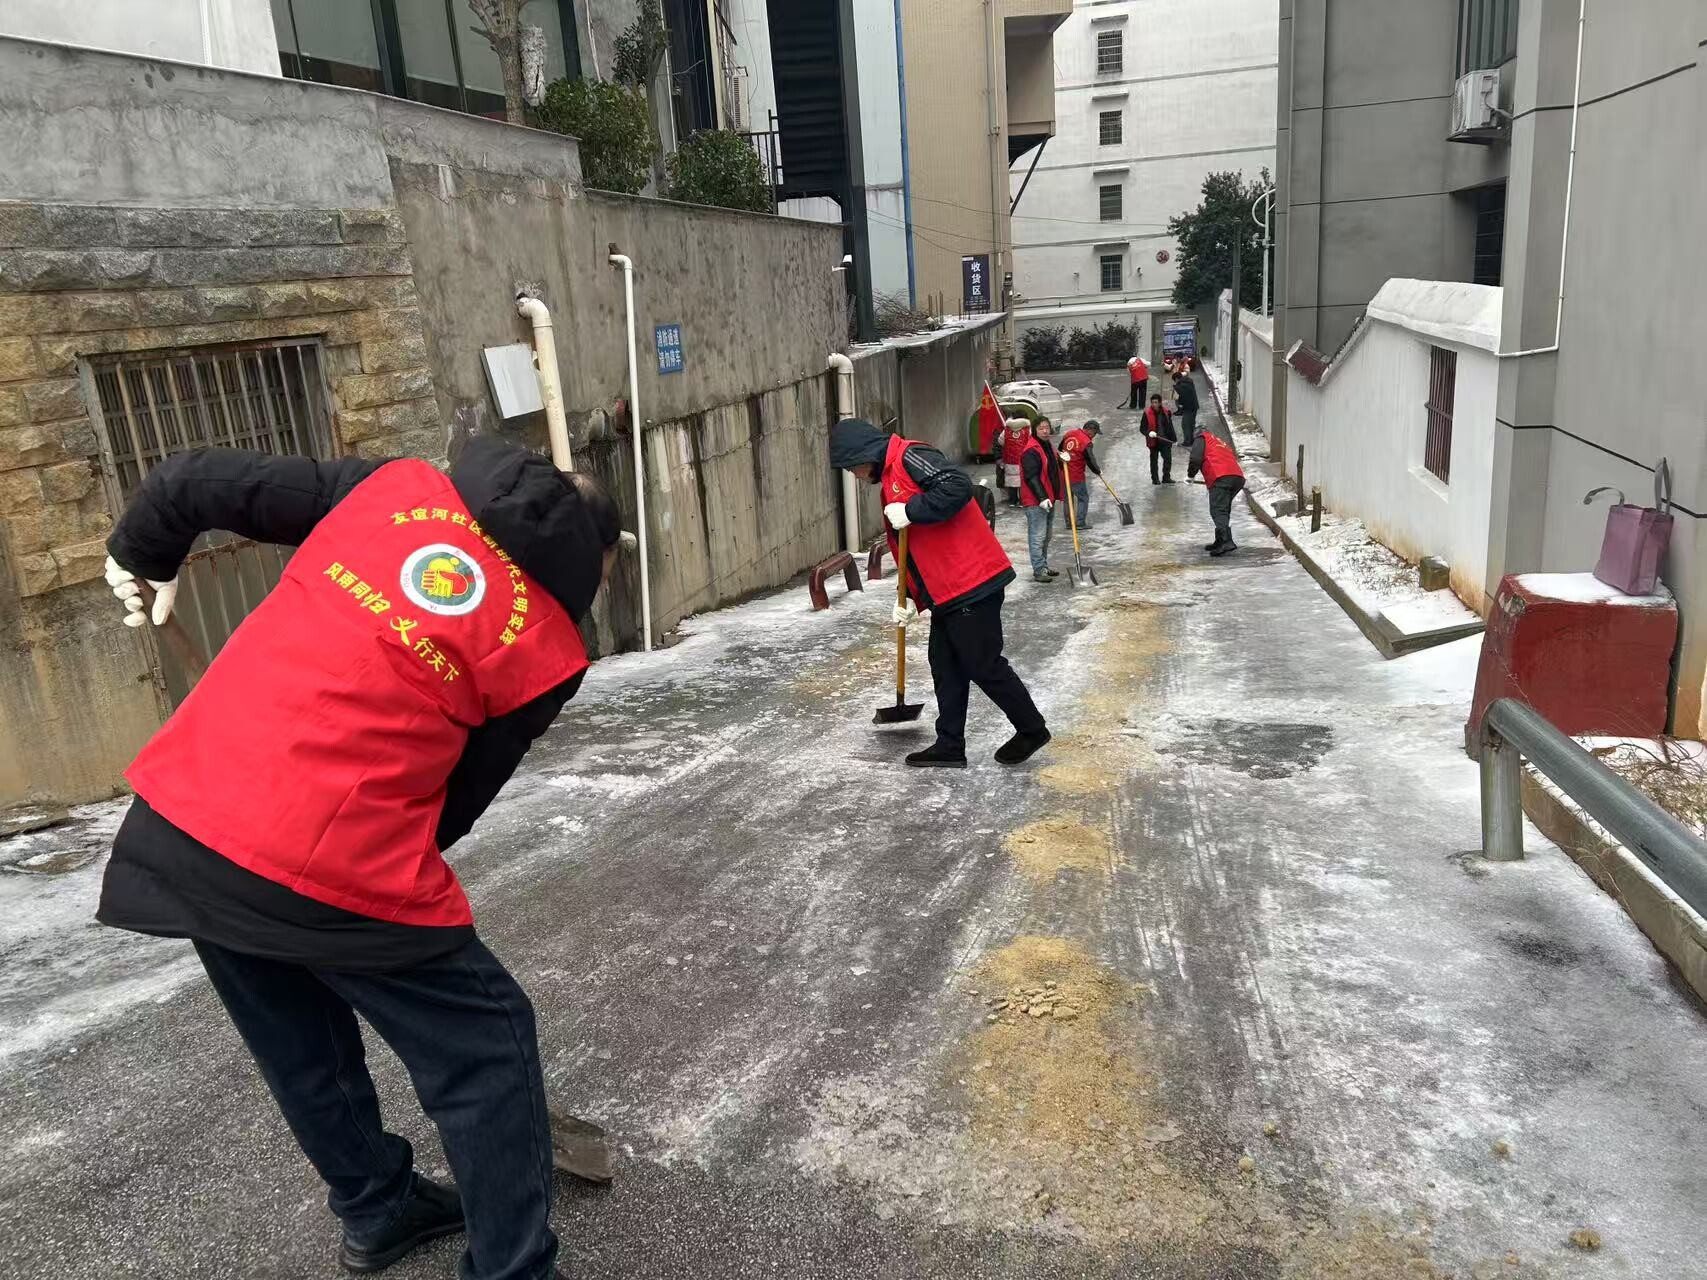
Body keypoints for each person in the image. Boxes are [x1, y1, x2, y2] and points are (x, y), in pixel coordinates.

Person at [97, 438, 623, 1280]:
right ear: (596, 560)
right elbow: (454, 799)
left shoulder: (390, 489)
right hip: (321, 848)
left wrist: (141, 555)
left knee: (296, 1035)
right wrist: (349, 891)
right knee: (486, 1045)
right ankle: (513, 1269)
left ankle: (378, 1208)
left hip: (189, 815)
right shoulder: (547, 647)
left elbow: (190, 480)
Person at [828, 418, 1051, 769]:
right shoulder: (890, 475)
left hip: (972, 581)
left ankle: (1032, 729)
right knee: (945, 667)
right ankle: (950, 744)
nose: (855, 475)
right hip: (948, 591)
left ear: (865, 453)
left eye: (853, 466)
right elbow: (915, 548)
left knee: (984, 665)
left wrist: (911, 511)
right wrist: (916, 600)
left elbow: (956, 486)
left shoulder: (910, 456)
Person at [1187, 428, 1248, 556]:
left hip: (1221, 476)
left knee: (1218, 510)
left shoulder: (1201, 438)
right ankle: (1221, 540)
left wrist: (1190, 475)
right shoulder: (1218, 441)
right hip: (1237, 477)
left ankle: (1226, 541)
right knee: (1223, 509)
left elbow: (1195, 458)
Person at [1019, 417, 1062, 582]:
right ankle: (1039, 570)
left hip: (1048, 498)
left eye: (1047, 427)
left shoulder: (1048, 446)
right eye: (1041, 428)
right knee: (1037, 536)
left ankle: (1043, 565)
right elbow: (1031, 477)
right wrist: (1042, 498)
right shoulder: (1031, 450)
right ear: (1035, 431)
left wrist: (1060, 458)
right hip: (1036, 501)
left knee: (1047, 536)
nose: (1045, 431)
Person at [1056, 420, 1103, 530]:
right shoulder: (1086, 442)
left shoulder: (1070, 434)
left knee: (1068, 499)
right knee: (1083, 498)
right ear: (1091, 430)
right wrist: (1097, 471)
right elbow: (1090, 459)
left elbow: (1060, 449)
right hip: (1076, 475)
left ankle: (1069, 523)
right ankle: (1080, 523)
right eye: (1095, 433)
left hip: (1064, 472)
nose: (1094, 436)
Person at [1143, 393, 1178, 485]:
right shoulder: (1146, 413)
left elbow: (1170, 426)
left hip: (1165, 441)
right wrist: (1148, 433)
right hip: (1153, 442)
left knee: (1168, 460)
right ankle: (1155, 479)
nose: (1154, 404)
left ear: (1160, 403)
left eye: (1156, 402)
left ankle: (1166, 477)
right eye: (1152, 402)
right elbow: (1142, 428)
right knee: (1154, 461)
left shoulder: (1166, 412)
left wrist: (1173, 438)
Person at [999, 415, 1031, 507]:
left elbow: (1000, 441)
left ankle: (1013, 501)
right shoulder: (1027, 429)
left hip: (1010, 460)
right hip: (1023, 460)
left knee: (1011, 480)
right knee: (1022, 481)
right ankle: (1022, 501)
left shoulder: (1006, 430)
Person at [1172, 364, 1200, 446]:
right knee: (1191, 424)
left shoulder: (1181, 385)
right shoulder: (1188, 381)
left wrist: (1175, 387)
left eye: (1175, 380)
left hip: (1188, 408)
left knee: (1185, 425)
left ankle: (1188, 441)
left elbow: (1181, 397)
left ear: (1177, 379)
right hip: (1194, 406)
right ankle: (1191, 440)